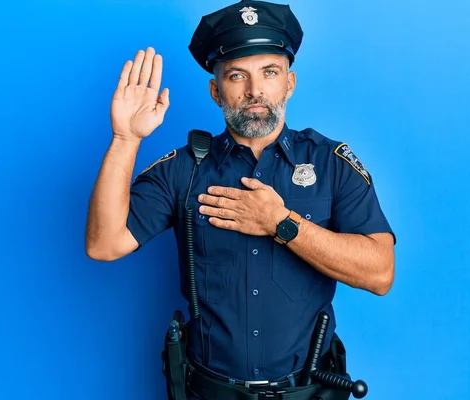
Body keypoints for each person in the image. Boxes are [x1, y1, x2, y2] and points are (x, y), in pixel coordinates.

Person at [85, 1, 396, 399]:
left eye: (270, 72)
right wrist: (126, 139)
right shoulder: (185, 168)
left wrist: (282, 224)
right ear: (216, 91)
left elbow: (380, 272)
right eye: (237, 75)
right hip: (210, 392)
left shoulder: (331, 163)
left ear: (290, 83)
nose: (255, 90)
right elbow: (103, 243)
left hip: (307, 392)